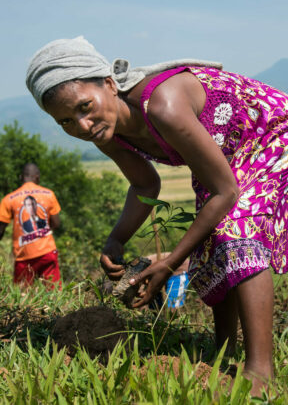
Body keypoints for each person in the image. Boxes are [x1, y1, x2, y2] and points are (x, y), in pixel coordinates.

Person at [25, 36, 288, 395]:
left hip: (271, 133)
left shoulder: (163, 105)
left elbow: (226, 192)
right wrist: (116, 238)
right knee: (212, 240)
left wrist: (169, 263)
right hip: (224, 155)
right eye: (66, 122)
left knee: (234, 226)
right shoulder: (105, 134)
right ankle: (224, 351)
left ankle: (261, 375)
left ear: (109, 83)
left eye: (85, 107)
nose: (83, 125)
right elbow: (145, 186)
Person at [0, 163, 62, 288]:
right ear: (37, 177)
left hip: (23, 256)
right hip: (47, 252)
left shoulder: (9, 199)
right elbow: (56, 223)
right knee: (53, 292)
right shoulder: (48, 194)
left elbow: (0, 230)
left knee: (23, 294)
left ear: (20, 177)